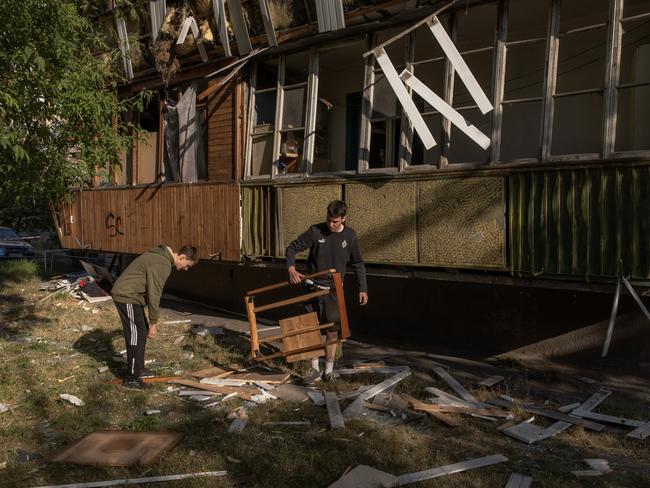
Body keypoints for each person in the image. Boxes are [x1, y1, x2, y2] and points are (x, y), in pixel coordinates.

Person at [286, 200, 368, 383]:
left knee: (332, 331)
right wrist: (291, 268)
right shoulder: (315, 231)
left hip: (333, 290)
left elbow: (358, 264)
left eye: (336, 222)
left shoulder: (350, 236)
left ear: (344, 219)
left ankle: (328, 371)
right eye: (329, 220)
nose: (331, 224)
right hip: (312, 287)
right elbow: (292, 248)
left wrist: (363, 288)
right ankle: (314, 369)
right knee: (312, 328)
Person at [111, 244, 198, 389]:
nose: (186, 269)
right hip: (126, 295)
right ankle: (132, 378)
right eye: (187, 265)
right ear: (182, 257)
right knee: (136, 335)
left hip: (133, 296)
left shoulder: (162, 259)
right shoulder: (162, 263)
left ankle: (138, 369)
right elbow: (154, 293)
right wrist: (154, 323)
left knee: (141, 332)